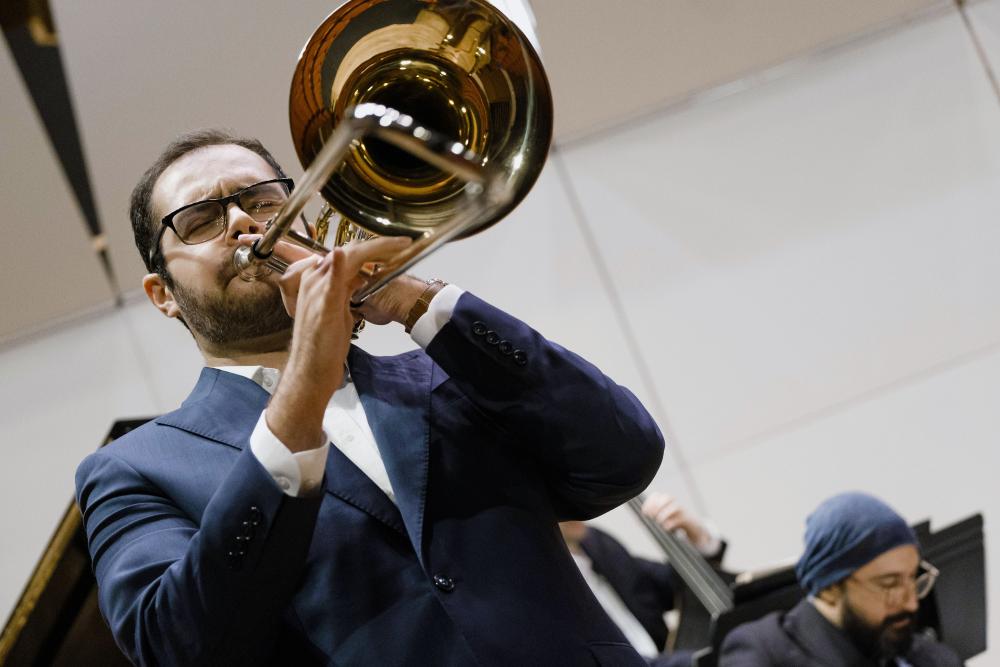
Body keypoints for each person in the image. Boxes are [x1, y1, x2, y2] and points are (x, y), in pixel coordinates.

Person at [74, 129, 665, 666]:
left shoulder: (447, 373)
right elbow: (178, 647)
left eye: (262, 199)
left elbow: (623, 455)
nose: (240, 223)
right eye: (201, 219)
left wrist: (414, 299)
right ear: (163, 295)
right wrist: (305, 379)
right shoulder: (132, 468)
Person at [719, 492, 963, 667]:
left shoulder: (933, 658)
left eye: (913, 579)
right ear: (830, 588)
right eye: (889, 585)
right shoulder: (764, 652)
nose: (911, 604)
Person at [561, 493, 726, 667]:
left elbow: (671, 587)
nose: (576, 506)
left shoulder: (596, 542)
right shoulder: (540, 593)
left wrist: (696, 536)